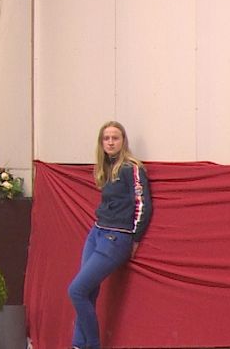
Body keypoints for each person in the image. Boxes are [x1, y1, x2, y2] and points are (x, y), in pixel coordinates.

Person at [67, 121, 152, 349]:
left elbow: (143, 204)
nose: (111, 142)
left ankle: (93, 345)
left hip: (117, 237)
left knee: (76, 290)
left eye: (115, 138)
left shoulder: (131, 168)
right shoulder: (105, 167)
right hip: (97, 231)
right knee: (88, 292)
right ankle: (77, 345)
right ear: (101, 143)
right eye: (107, 138)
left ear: (123, 141)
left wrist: (135, 238)